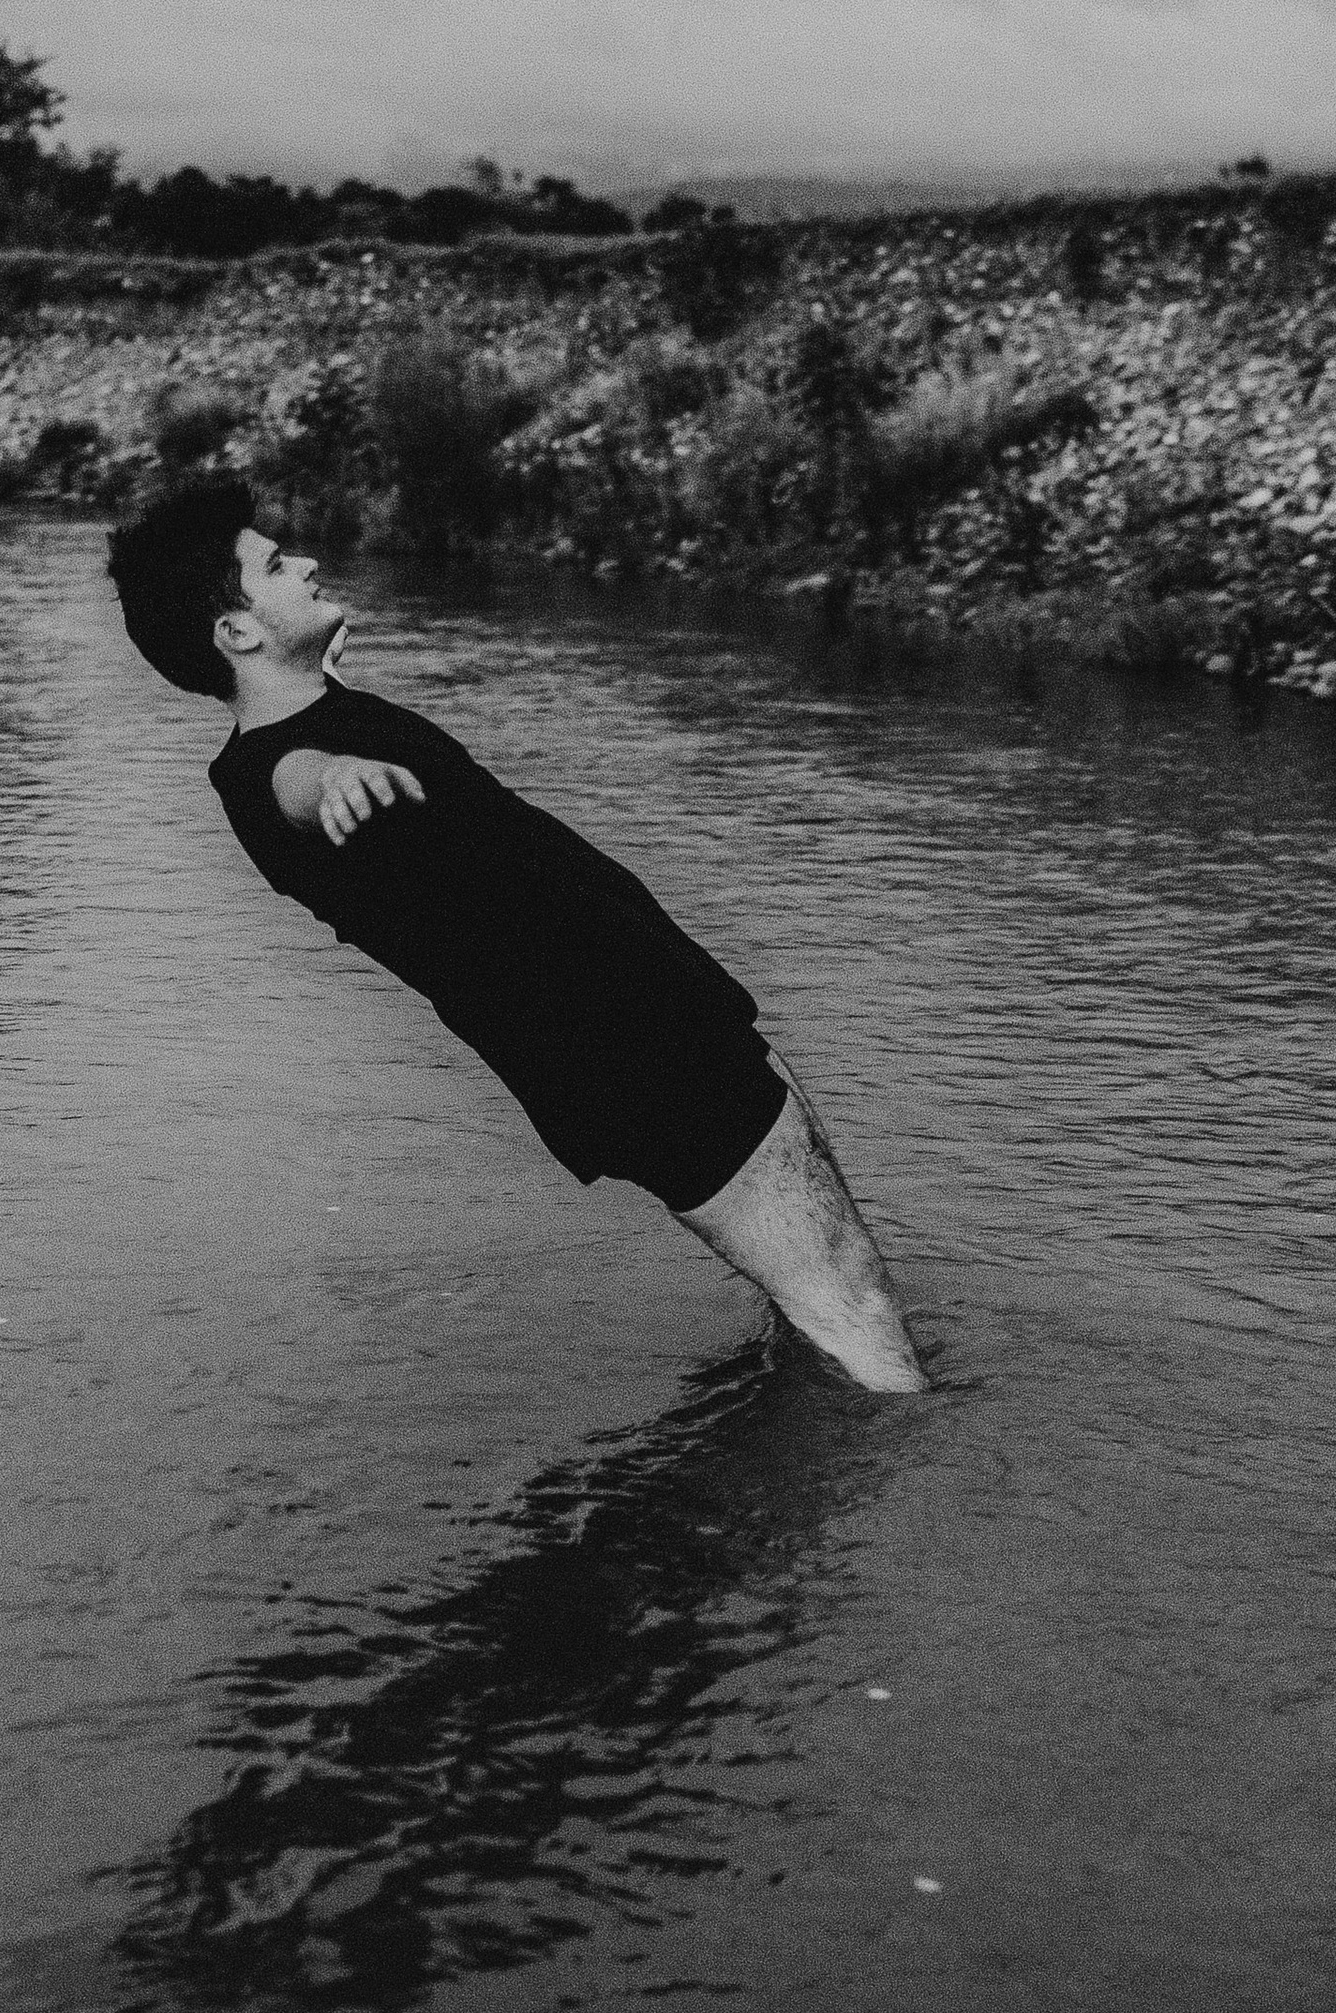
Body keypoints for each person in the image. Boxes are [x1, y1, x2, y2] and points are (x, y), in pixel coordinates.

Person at [106, 475, 926, 1395]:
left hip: (638, 1024)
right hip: (629, 1042)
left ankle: (790, 1434)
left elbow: (315, 729)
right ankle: (906, 1487)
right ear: (237, 632)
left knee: (814, 1288)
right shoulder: (276, 770)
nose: (304, 561)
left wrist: (324, 675)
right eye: (272, 565)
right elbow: (295, 782)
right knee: (849, 1302)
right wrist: (334, 777)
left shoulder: (319, 708)